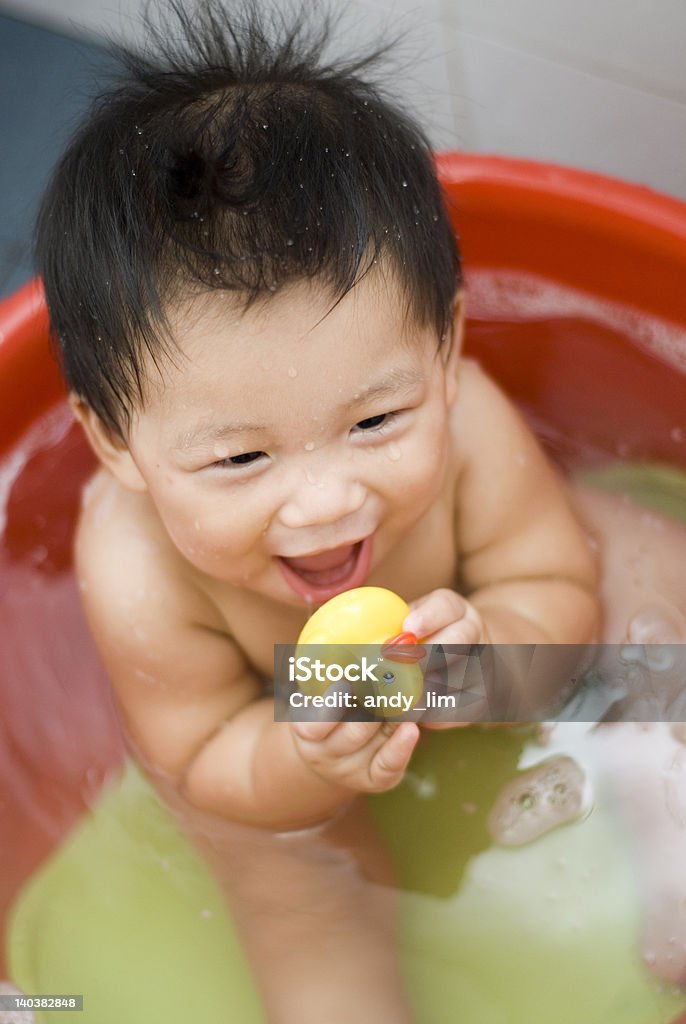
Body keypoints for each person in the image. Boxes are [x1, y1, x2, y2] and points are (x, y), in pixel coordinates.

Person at [33, 0, 686, 1016]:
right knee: (285, 874)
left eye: (376, 418)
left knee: (643, 563)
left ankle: (670, 830)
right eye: (242, 455)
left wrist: (484, 662)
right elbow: (202, 758)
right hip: (271, 741)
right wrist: (298, 757)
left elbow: (557, 584)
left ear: (443, 348)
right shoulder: (137, 566)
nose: (328, 497)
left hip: (466, 637)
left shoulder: (467, 418)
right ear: (117, 444)